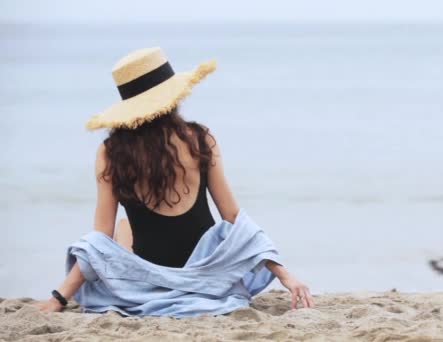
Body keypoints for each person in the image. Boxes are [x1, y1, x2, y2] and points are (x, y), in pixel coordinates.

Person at [34, 47, 313, 315]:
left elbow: (99, 242)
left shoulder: (111, 152)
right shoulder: (200, 139)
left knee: (120, 228)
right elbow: (234, 219)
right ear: (173, 95)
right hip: (206, 275)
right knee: (141, 228)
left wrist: (59, 297)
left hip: (147, 282)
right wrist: (284, 274)